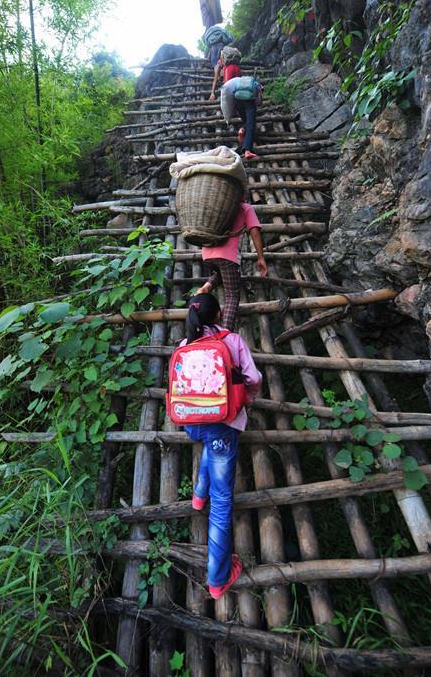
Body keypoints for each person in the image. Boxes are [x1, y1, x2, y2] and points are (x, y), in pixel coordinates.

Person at [178, 293, 261, 599]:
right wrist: (246, 398)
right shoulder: (233, 342)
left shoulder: (184, 346)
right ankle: (217, 579)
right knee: (223, 501)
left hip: (193, 423)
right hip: (223, 424)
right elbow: (253, 378)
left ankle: (198, 497)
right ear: (218, 316)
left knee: (210, 447)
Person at [195, 197, 267, 331]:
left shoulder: (217, 203)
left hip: (206, 254)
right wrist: (261, 258)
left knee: (222, 273)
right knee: (232, 296)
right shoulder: (246, 208)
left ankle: (206, 287)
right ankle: (225, 334)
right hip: (227, 257)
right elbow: (255, 233)